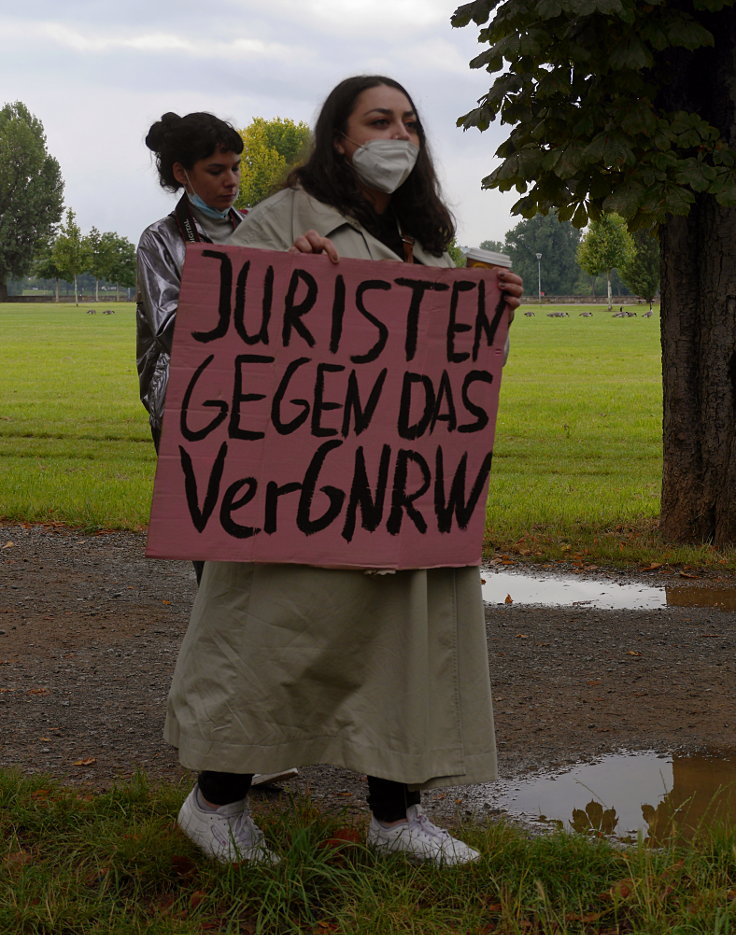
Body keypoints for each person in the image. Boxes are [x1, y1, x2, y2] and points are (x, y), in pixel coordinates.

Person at [165, 76, 524, 866]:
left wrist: (489, 309)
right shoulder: (282, 217)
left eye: (408, 121)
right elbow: (224, 333)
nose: (397, 134)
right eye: (377, 120)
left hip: (398, 497)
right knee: (278, 642)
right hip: (304, 494)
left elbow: (437, 372)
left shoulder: (426, 237)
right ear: (339, 136)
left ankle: (397, 817)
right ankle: (216, 800)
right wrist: (288, 278)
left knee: (402, 648)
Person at [135, 111, 298, 789]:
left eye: (236, 168)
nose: (231, 182)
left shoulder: (262, 224)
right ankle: (222, 734)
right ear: (182, 173)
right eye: (216, 170)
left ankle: (245, 721)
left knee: (260, 570)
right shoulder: (159, 241)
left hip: (261, 412)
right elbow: (175, 320)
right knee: (217, 575)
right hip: (190, 416)